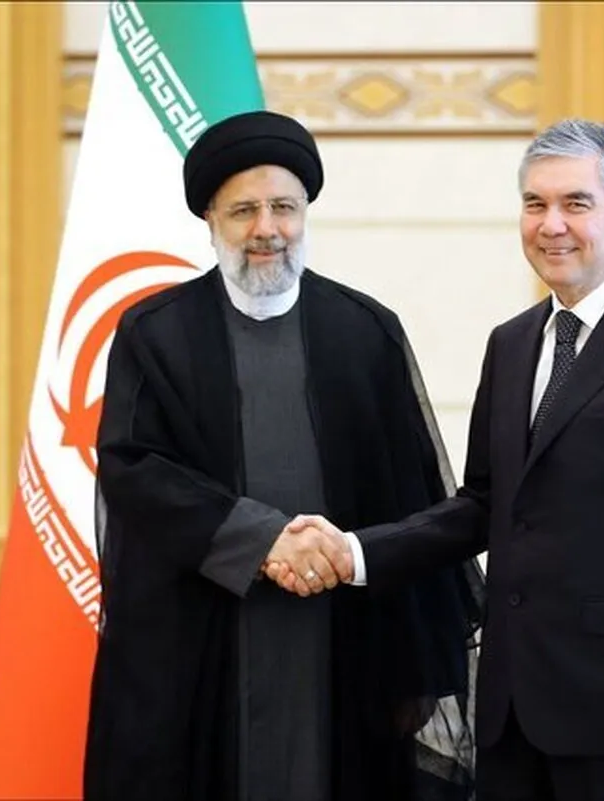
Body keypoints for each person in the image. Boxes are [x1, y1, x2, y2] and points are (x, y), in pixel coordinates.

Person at [272, 118, 604, 801]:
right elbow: (483, 505)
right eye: (535, 203)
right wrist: (354, 552)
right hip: (511, 712)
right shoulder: (513, 343)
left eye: (575, 203)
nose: (551, 225)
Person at [83, 109, 484, 801]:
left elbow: (412, 491)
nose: (266, 228)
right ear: (210, 219)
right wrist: (263, 539)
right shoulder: (155, 333)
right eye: (244, 210)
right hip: (204, 639)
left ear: (305, 213)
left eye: (283, 208)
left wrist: (349, 568)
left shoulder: (365, 330)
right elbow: (134, 469)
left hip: (345, 634)